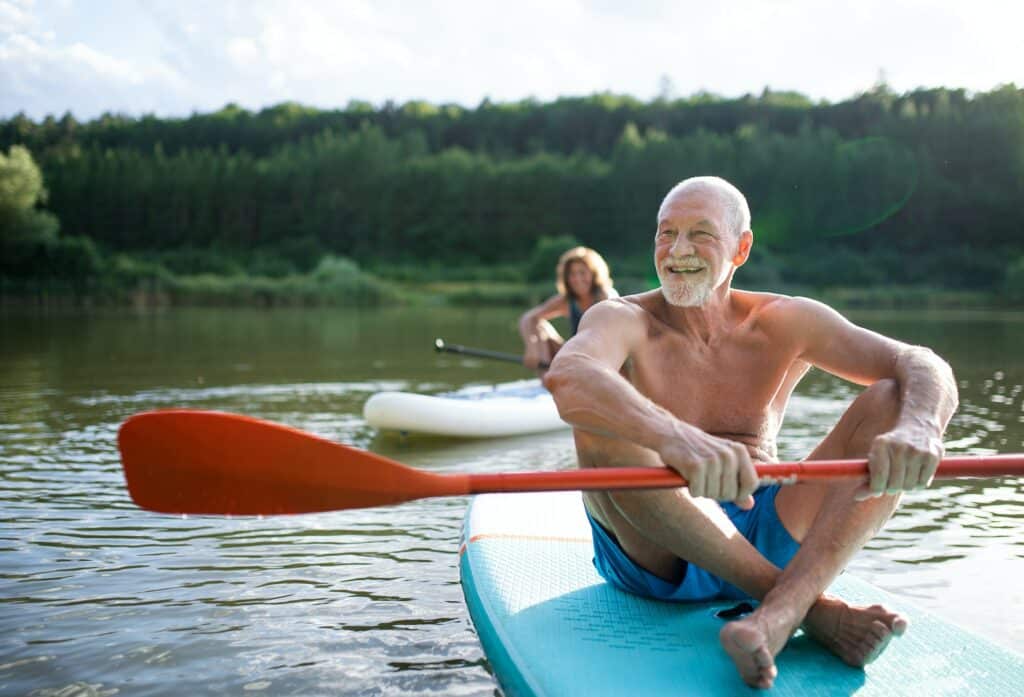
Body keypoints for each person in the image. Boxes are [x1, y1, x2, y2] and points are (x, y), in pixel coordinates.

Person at [542, 176, 958, 689]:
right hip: (657, 550)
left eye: (700, 235)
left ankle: (776, 616)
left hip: (764, 524)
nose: (677, 251)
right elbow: (569, 376)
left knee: (895, 399)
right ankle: (807, 606)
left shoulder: (785, 320)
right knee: (598, 422)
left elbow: (919, 362)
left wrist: (921, 426)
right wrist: (676, 438)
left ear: (741, 248)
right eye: (665, 233)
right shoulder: (623, 318)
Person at [519, 246, 617, 371]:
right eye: (572, 274)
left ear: (594, 274)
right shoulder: (566, 300)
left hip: (603, 362)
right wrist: (532, 348)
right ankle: (548, 376)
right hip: (575, 358)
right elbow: (528, 318)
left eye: (582, 273)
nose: (577, 279)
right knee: (539, 325)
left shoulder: (606, 297)